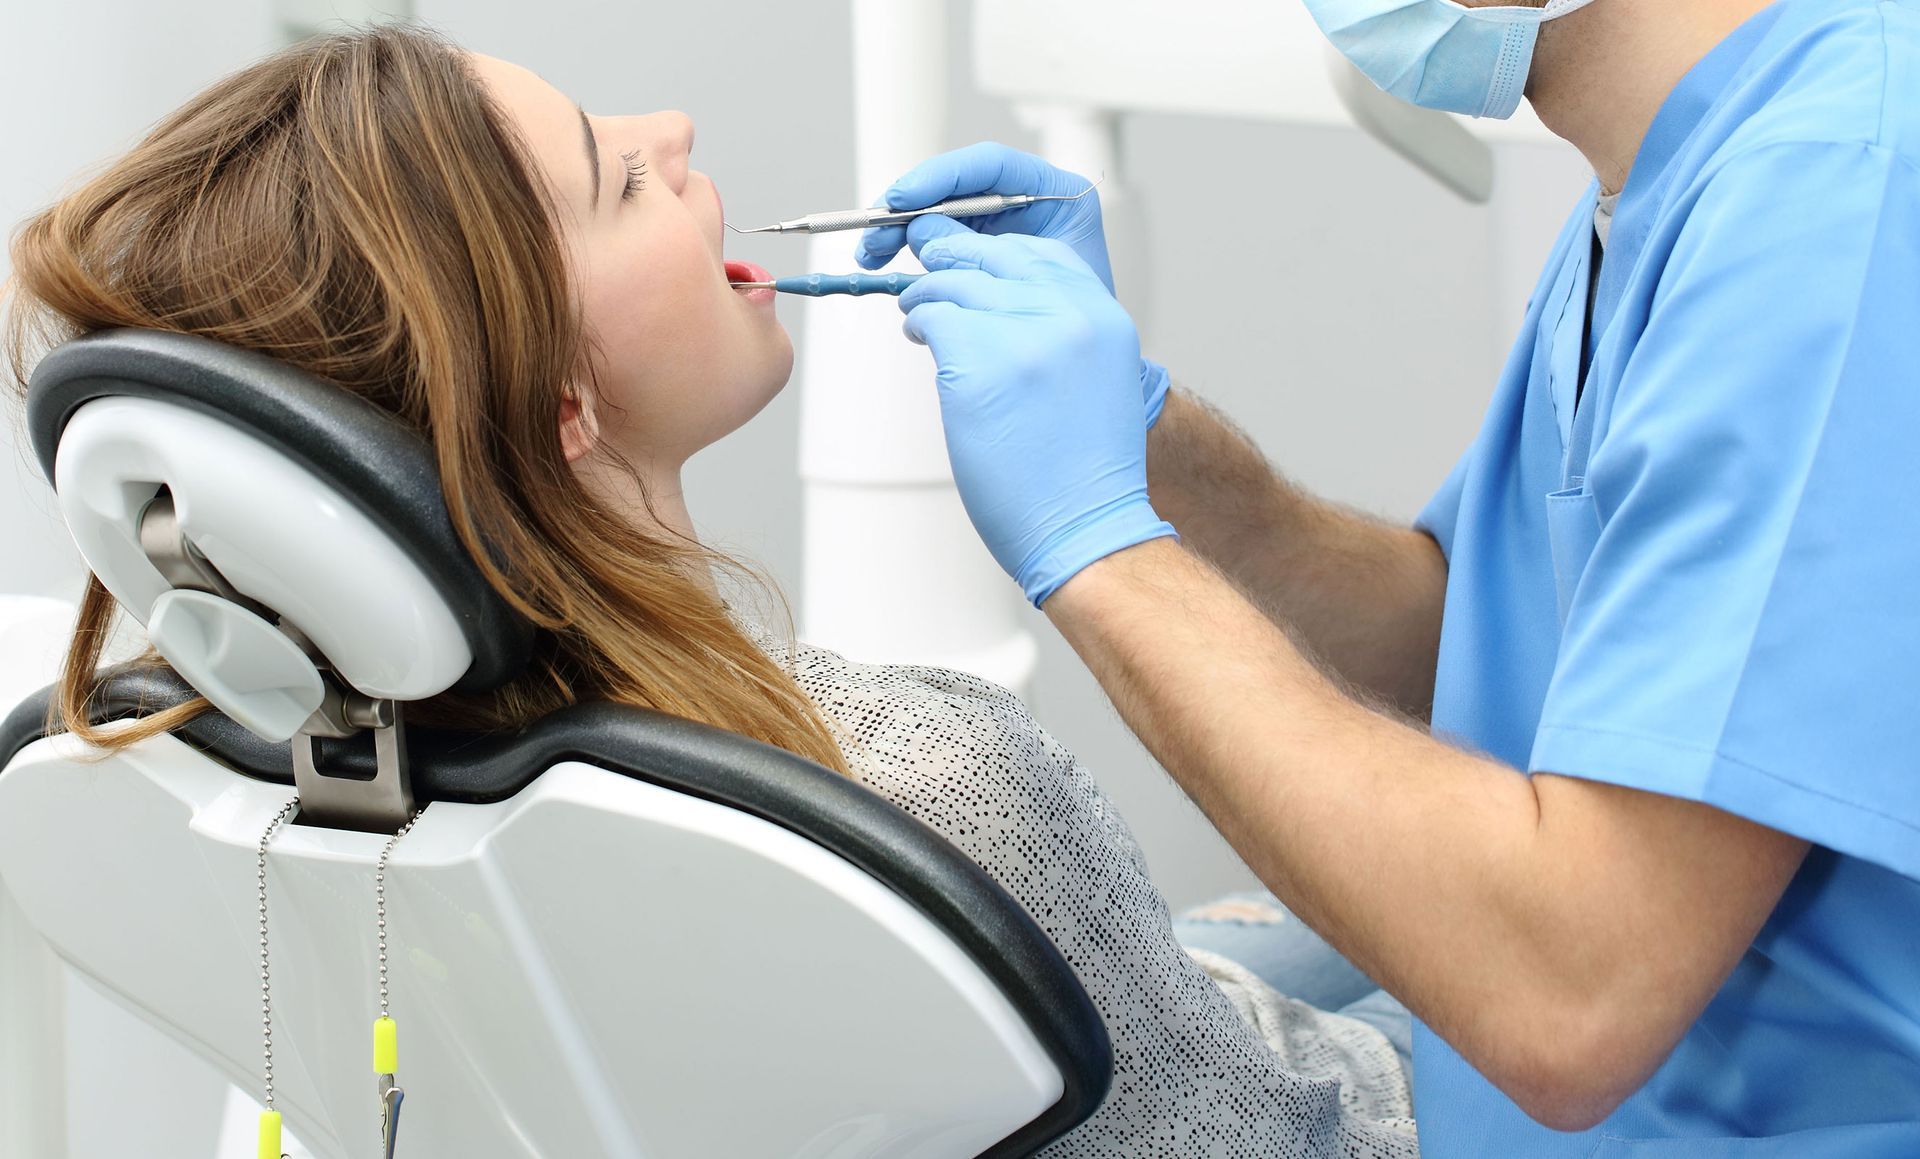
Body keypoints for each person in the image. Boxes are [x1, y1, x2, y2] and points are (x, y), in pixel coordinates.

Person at [2, 26, 1428, 1156]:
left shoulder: (332, 790)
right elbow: (1302, 1132)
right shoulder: (929, 787)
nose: (670, 131)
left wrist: (1141, 415)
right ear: (560, 402)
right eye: (616, 179)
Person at [857, 0, 1920, 1153]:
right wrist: (1135, 432)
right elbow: (1471, 639)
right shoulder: (1663, 182)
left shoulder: (1832, 207)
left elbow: (1574, 989)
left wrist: (1106, 556)